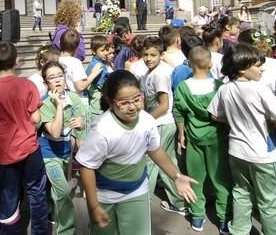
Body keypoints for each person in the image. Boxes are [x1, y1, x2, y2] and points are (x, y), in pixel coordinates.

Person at [76, 70, 197, 234]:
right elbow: (86, 166)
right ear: (111, 102)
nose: (132, 107)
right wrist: (93, 205)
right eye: (124, 102)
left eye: (137, 99)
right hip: (105, 196)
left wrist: (176, 176)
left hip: (137, 191)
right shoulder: (102, 130)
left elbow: (155, 150)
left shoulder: (147, 121)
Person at [209, 44, 276, 235]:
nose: (262, 68)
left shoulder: (225, 89)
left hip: (237, 151)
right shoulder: (261, 90)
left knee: (241, 192)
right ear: (242, 68)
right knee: (271, 201)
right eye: (257, 65)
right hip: (264, 155)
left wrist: (235, 119)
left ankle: (238, 230)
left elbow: (215, 115)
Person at [0, 42, 48, 235]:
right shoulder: (27, 85)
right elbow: (36, 118)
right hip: (30, 148)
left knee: (9, 194)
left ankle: (12, 231)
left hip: (4, 152)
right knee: (36, 191)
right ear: (17, 60)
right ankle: (40, 231)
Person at [174, 47, 232, 234]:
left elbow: (179, 112)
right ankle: (224, 218)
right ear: (210, 64)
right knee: (221, 179)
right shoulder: (218, 86)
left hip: (194, 137)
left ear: (189, 64)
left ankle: (197, 216)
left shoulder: (183, 86)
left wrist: (181, 134)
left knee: (195, 178)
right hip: (217, 138)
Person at [38, 61, 89, 235]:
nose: (57, 80)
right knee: (64, 192)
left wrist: (81, 124)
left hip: (67, 152)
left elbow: (83, 126)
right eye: (52, 78)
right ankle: (66, 231)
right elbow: (54, 131)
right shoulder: (44, 104)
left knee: (58, 192)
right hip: (49, 155)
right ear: (46, 83)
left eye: (60, 75)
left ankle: (52, 210)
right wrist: (59, 105)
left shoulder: (74, 99)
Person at [140, 36, 186, 216]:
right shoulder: (151, 72)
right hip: (162, 123)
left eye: (153, 55)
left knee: (151, 163)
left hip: (161, 123)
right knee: (169, 162)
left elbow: (164, 105)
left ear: (161, 54)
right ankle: (178, 200)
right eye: (145, 54)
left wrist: (146, 120)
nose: (148, 58)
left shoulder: (159, 74)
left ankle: (142, 203)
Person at [59, 29, 102, 97]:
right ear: (76, 47)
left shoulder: (58, 60)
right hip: (77, 101)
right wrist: (93, 74)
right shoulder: (75, 62)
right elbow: (80, 86)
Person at [86, 35, 112, 119]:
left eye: (107, 50)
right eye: (102, 50)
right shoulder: (97, 65)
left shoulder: (101, 62)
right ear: (94, 51)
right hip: (97, 100)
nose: (106, 53)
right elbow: (103, 82)